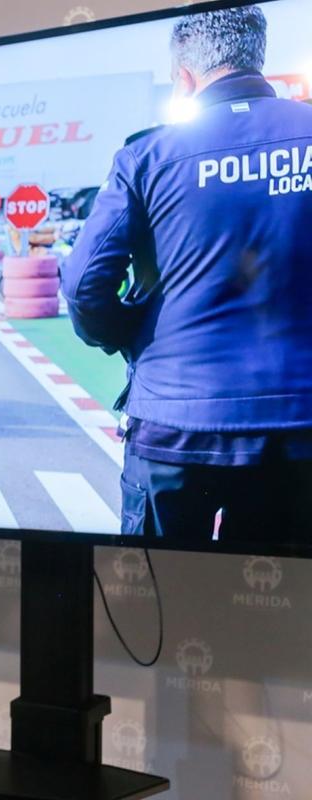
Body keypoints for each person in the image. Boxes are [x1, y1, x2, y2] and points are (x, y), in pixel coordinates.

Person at [61, 6, 312, 543]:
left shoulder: (148, 155)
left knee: (155, 611)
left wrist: (133, 337)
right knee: (280, 610)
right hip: (298, 428)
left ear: (185, 77)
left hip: (174, 425)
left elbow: (84, 287)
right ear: (257, 58)